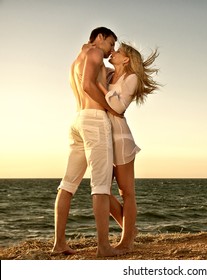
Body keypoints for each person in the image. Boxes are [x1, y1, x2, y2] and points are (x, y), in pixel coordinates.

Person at [52, 27, 123, 257]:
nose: (111, 49)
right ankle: (104, 247)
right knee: (101, 187)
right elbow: (87, 85)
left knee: (67, 185)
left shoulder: (76, 60)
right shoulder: (93, 52)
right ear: (99, 38)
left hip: (78, 121)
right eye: (111, 44)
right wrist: (110, 107)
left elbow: (88, 83)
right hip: (94, 121)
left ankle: (59, 244)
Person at [97, 42, 160, 251]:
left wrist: (100, 88)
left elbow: (117, 107)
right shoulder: (108, 74)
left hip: (121, 139)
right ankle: (130, 228)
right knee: (101, 190)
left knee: (127, 193)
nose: (112, 52)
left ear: (126, 59)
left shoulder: (130, 78)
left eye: (118, 51)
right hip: (103, 137)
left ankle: (127, 241)